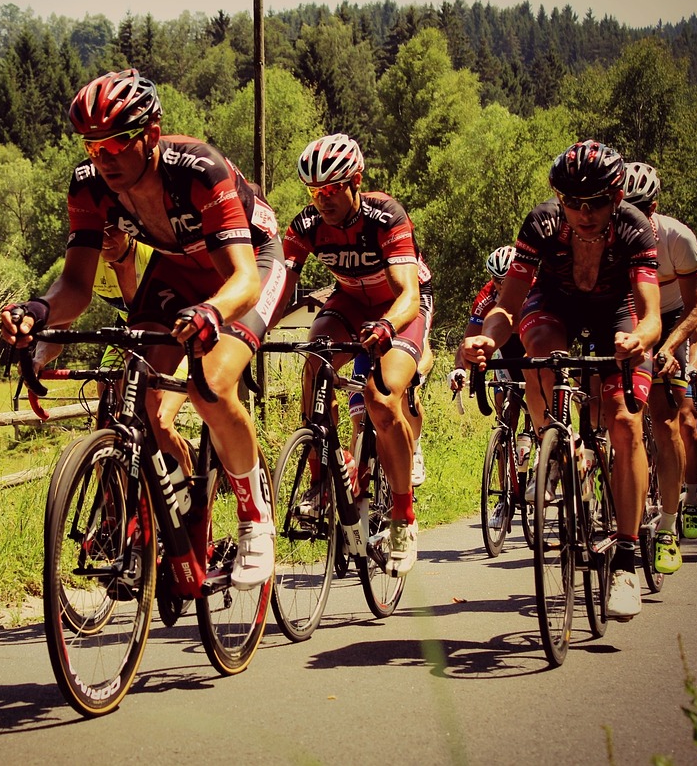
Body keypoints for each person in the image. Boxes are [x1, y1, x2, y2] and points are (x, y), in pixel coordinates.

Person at [0, 68, 287, 590]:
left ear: (150, 135)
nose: (102, 159)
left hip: (248, 265)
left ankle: (254, 519)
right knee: (144, 404)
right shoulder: (89, 187)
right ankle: (179, 511)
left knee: (211, 385)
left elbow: (243, 279)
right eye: (92, 146)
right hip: (178, 267)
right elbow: (75, 287)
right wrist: (38, 315)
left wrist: (213, 313)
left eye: (115, 144)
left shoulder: (198, 169)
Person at [461, 140, 660, 620]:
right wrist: (487, 339)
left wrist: (640, 341)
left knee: (624, 421)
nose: (584, 213)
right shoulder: (542, 224)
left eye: (595, 203)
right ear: (559, 198)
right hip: (555, 304)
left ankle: (628, 560)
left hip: (618, 310)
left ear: (616, 197)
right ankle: (551, 439)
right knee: (540, 350)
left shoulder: (635, 229)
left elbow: (651, 316)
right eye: (573, 202)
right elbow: (507, 306)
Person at [278, 133, 434, 578]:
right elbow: (280, 287)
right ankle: (319, 481)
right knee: (314, 360)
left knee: (381, 401)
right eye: (314, 192)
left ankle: (404, 517)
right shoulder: (307, 226)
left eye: (331, 190)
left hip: (398, 307)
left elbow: (408, 292)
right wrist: (248, 330)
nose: (322, 200)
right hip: (348, 301)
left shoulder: (386, 216)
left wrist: (387, 326)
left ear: (355, 182)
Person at [31, 225, 189, 459]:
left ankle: (190, 494)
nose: (104, 238)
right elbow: (59, 327)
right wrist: (38, 359)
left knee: (159, 422)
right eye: (99, 230)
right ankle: (113, 491)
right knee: (107, 417)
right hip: (126, 331)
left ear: (129, 229)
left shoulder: (152, 251)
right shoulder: (91, 263)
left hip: (174, 333)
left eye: (113, 229)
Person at [619, 162, 697, 575]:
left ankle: (668, 526)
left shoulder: (678, 238)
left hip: (670, 319)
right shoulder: (611, 233)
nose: (631, 216)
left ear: (653, 207)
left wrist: (669, 348)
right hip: (628, 312)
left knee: (669, 421)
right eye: (624, 206)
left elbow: (696, 309)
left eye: (640, 208)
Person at [450, 246, 530, 526]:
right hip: (505, 351)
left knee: (543, 409)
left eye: (506, 279)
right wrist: (460, 368)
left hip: (533, 345)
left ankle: (547, 469)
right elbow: (468, 340)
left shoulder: (535, 287)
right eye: (496, 279)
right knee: (504, 420)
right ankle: (504, 499)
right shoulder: (486, 297)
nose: (501, 285)